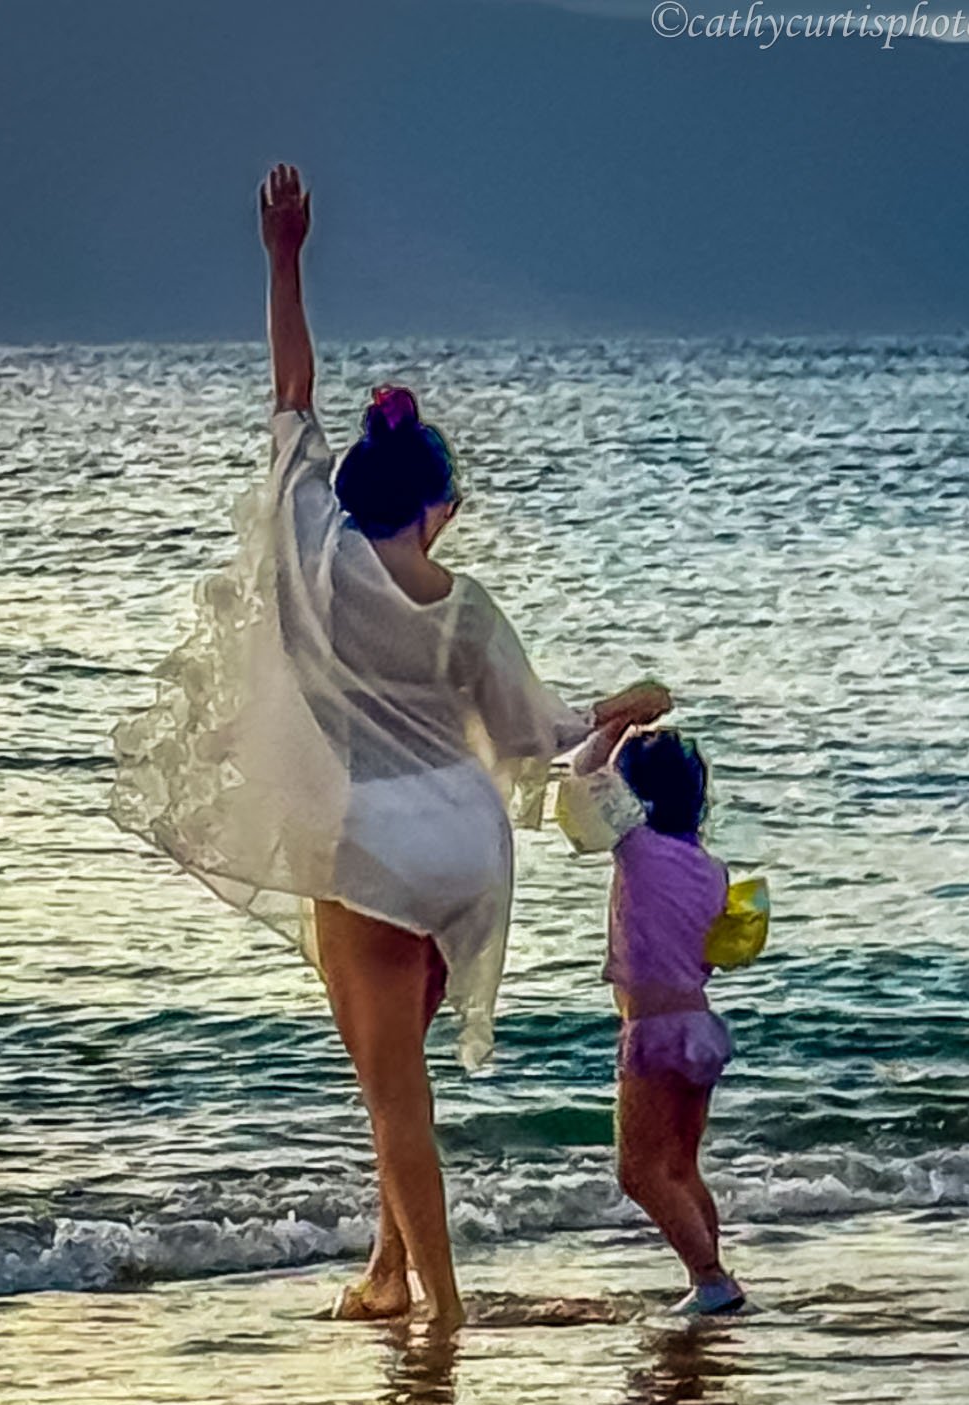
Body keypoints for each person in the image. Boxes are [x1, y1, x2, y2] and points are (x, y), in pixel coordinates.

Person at [110, 163, 671, 1328]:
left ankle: (445, 1310)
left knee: (390, 1100)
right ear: (439, 506)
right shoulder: (465, 608)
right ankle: (388, 1271)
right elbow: (545, 737)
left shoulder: (312, 547)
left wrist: (284, 255)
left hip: (366, 846)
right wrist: (622, 706)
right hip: (460, 847)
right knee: (398, 1082)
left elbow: (293, 389)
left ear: (353, 485)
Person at [570, 722, 745, 1316]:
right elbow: (708, 957)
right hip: (699, 1025)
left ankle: (713, 1278)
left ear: (637, 796)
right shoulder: (712, 868)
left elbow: (583, 774)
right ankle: (708, 1281)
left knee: (639, 1172)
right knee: (681, 1165)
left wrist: (618, 721)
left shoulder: (637, 849)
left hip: (653, 1030)